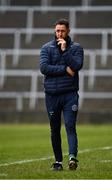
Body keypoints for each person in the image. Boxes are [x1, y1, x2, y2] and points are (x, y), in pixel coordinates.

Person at [40, 19, 84, 171]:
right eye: (57, 31)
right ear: (54, 31)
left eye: (62, 31)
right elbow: (44, 68)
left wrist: (65, 51)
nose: (59, 33)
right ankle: (58, 162)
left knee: (70, 126)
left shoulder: (76, 48)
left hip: (70, 94)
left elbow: (77, 66)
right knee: (54, 129)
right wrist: (65, 69)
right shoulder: (46, 48)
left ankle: (72, 158)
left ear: (68, 31)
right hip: (52, 96)